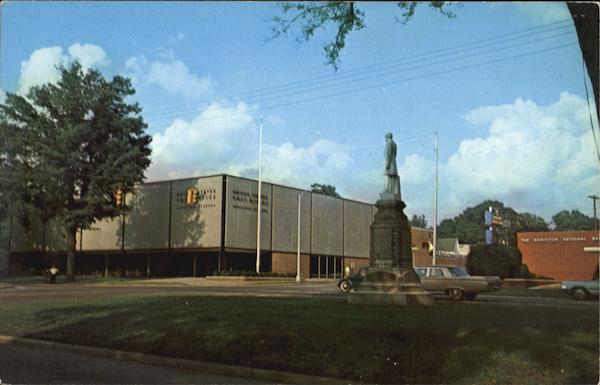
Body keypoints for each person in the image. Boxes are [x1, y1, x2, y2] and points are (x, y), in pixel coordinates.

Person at [383, 132, 401, 199]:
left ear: (387, 137)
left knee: (386, 176)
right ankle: (391, 191)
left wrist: (387, 164)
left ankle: (387, 190)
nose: (385, 139)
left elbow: (388, 154)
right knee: (392, 178)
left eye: (385, 138)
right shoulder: (394, 144)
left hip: (389, 163)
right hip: (393, 163)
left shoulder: (388, 143)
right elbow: (395, 155)